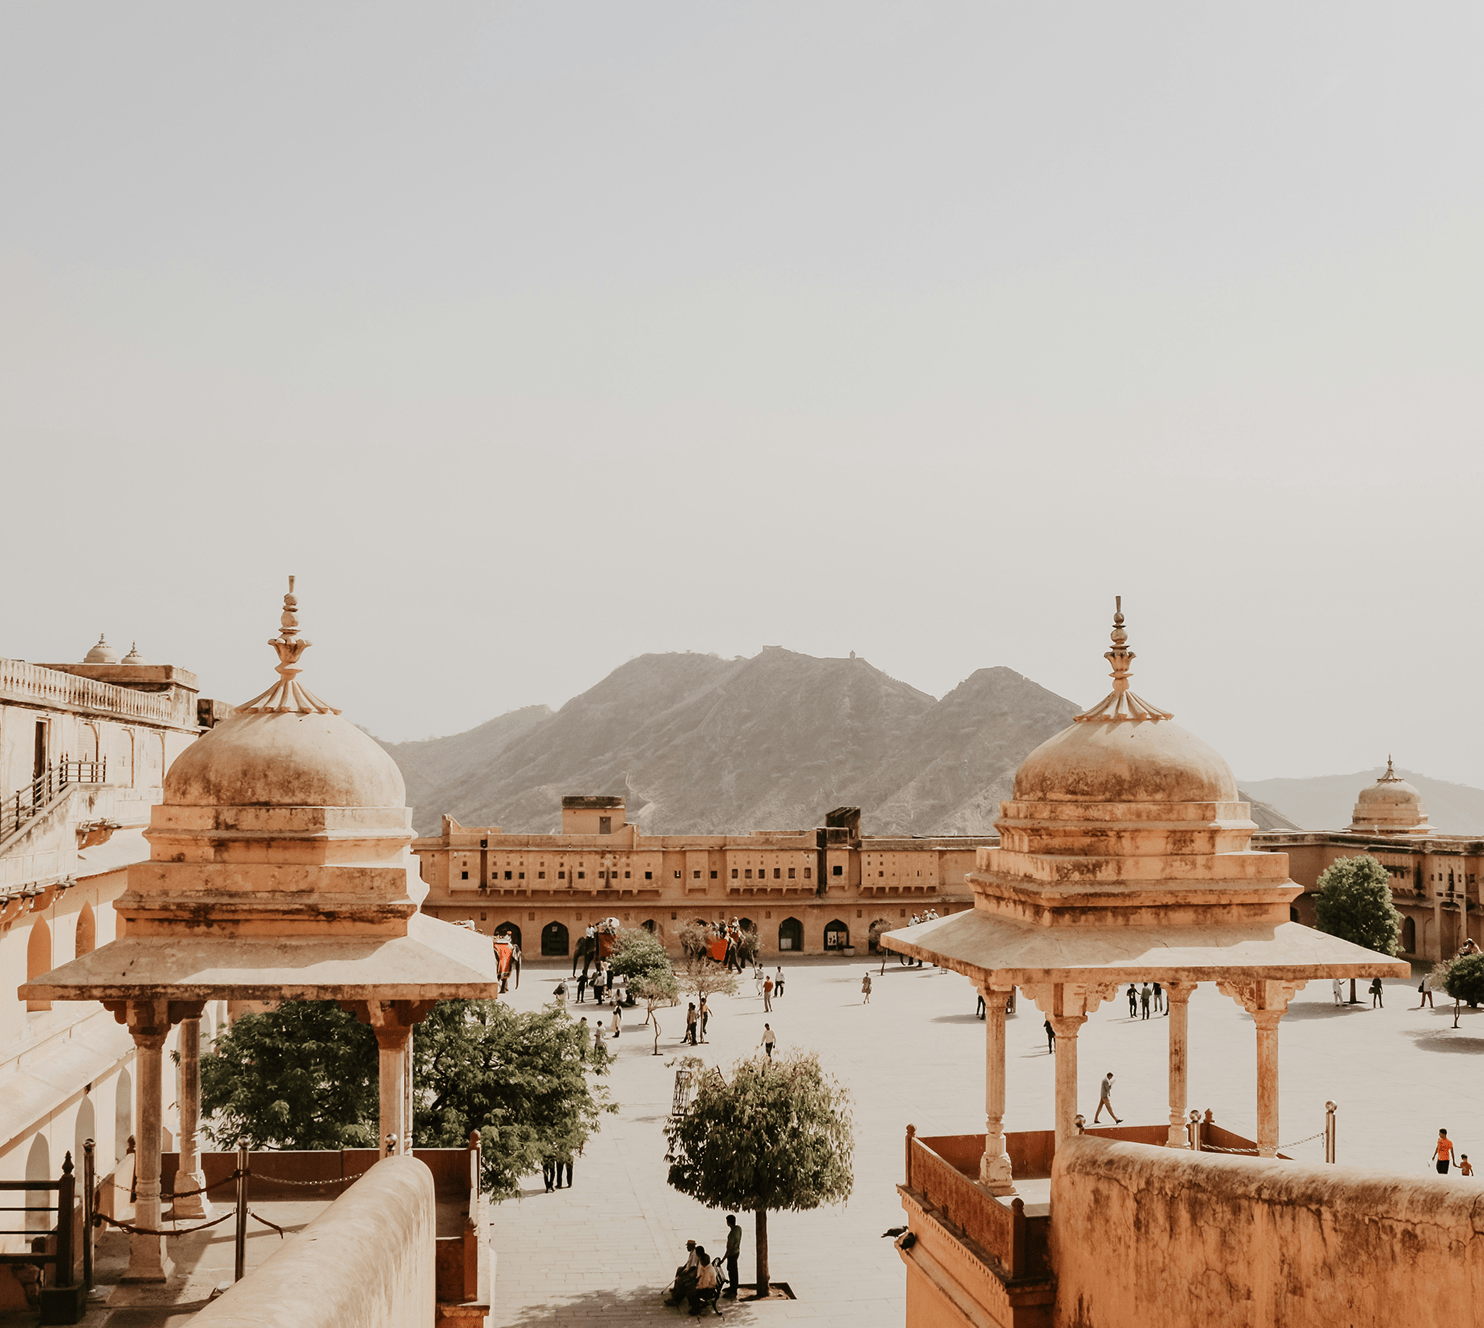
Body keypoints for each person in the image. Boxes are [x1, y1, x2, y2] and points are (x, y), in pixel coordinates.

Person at [665, 1240, 701, 1306]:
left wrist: (684, 1273)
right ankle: (676, 1288)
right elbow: (688, 1262)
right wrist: (683, 1268)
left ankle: (676, 1299)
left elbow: (693, 1267)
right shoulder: (692, 1252)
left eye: (688, 1246)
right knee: (679, 1269)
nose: (687, 1247)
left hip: (693, 1273)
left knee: (681, 1279)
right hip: (689, 1269)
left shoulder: (695, 1254)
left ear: (691, 1246)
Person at [688, 1248, 719, 1315]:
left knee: (692, 1291)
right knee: (690, 1288)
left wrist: (696, 1287)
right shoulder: (707, 1267)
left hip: (708, 1290)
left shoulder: (707, 1272)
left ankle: (696, 1307)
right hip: (706, 1285)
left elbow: (705, 1285)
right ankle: (694, 1305)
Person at [723, 1214, 741, 1298]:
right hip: (737, 1252)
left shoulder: (731, 1235)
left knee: (732, 1271)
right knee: (734, 1270)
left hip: (732, 1254)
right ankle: (733, 1286)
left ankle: (733, 1290)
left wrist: (723, 1259)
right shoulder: (738, 1229)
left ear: (728, 1223)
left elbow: (729, 1249)